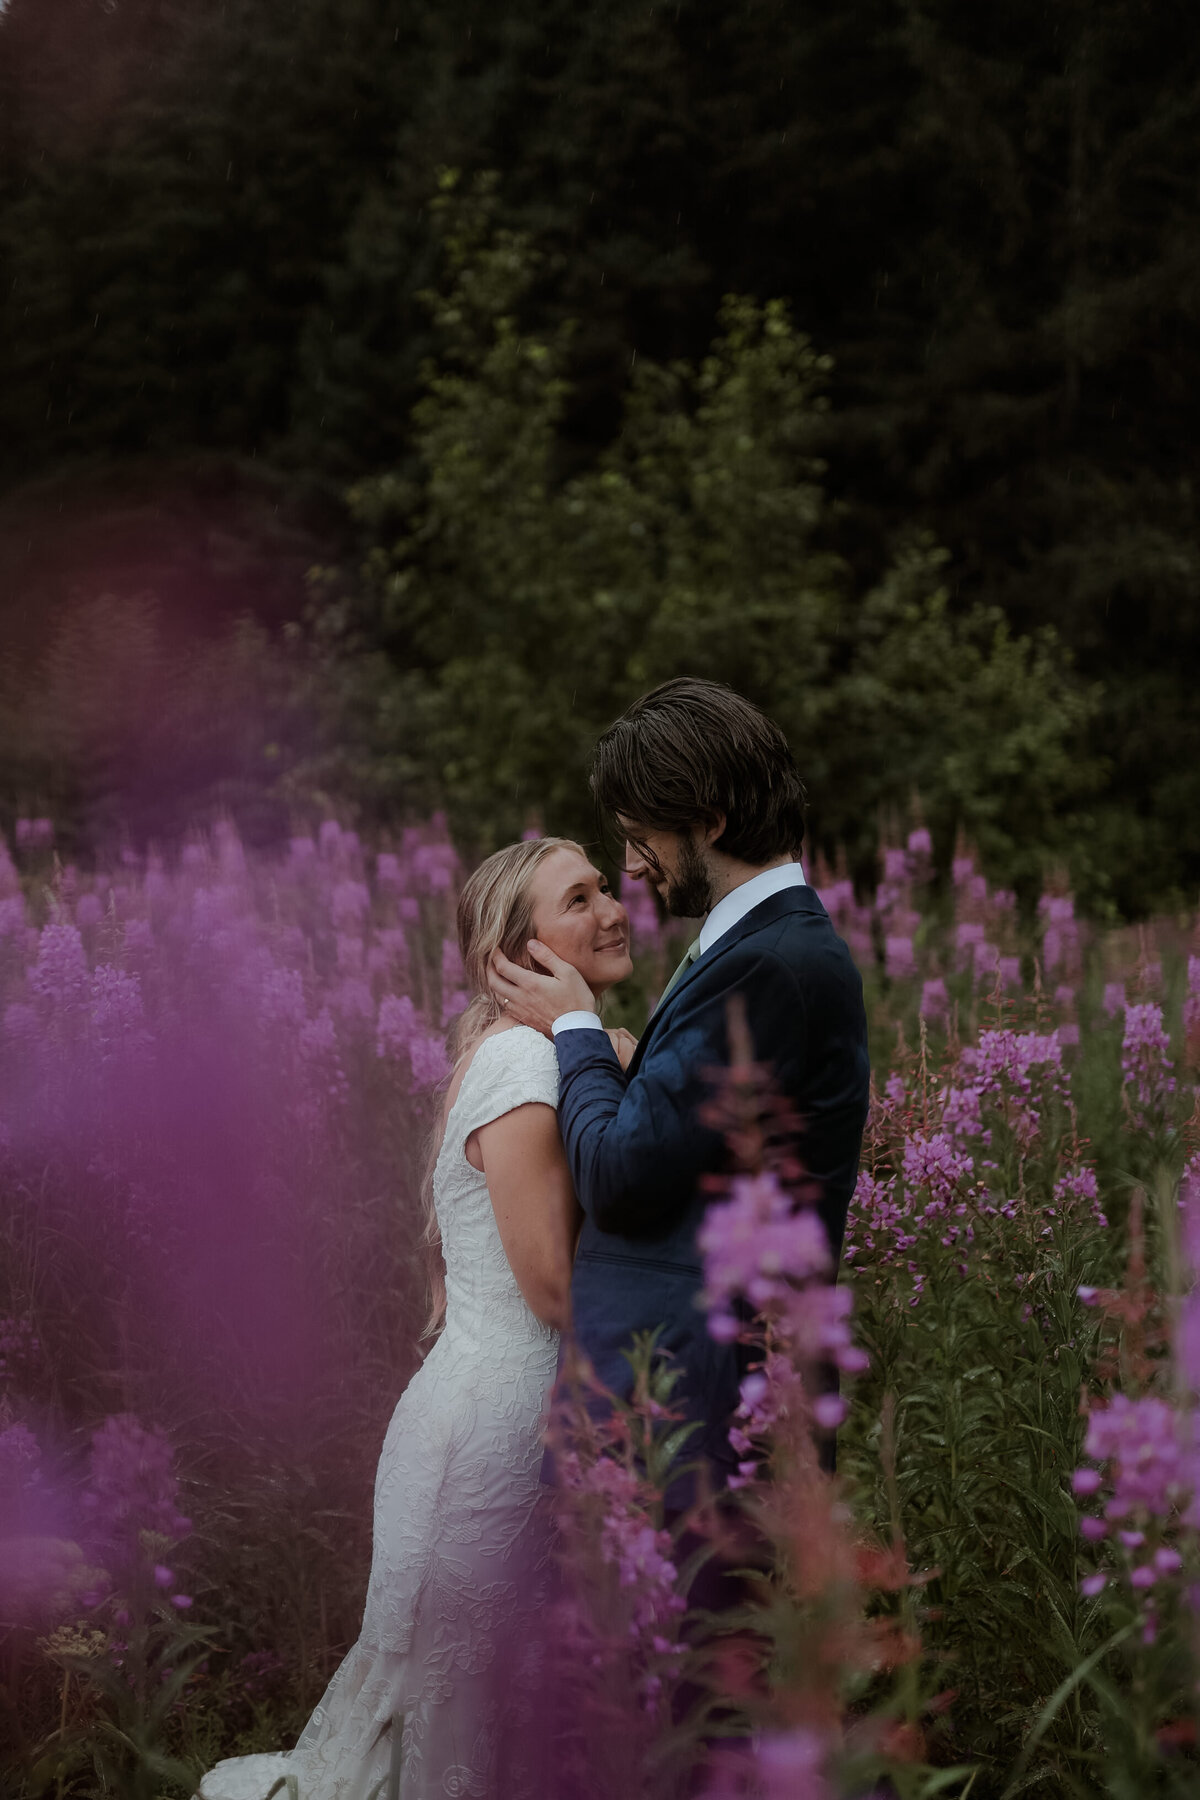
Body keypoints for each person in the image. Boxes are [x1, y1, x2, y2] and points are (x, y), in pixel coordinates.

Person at [196, 837, 633, 1800]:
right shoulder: (523, 1061)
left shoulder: (539, 1049)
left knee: (460, 1714)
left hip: (493, 1417)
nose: (612, 906)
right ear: (520, 954)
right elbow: (554, 1286)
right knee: (453, 1718)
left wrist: (600, 1044)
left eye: (607, 885)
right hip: (486, 1439)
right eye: (580, 898)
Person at [490, 678, 870, 1503]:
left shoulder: (768, 964)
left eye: (640, 839)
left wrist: (577, 1030)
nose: (630, 868)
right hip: (681, 1413)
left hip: (703, 1426)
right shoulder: (754, 951)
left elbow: (622, 1175)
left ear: (710, 820)